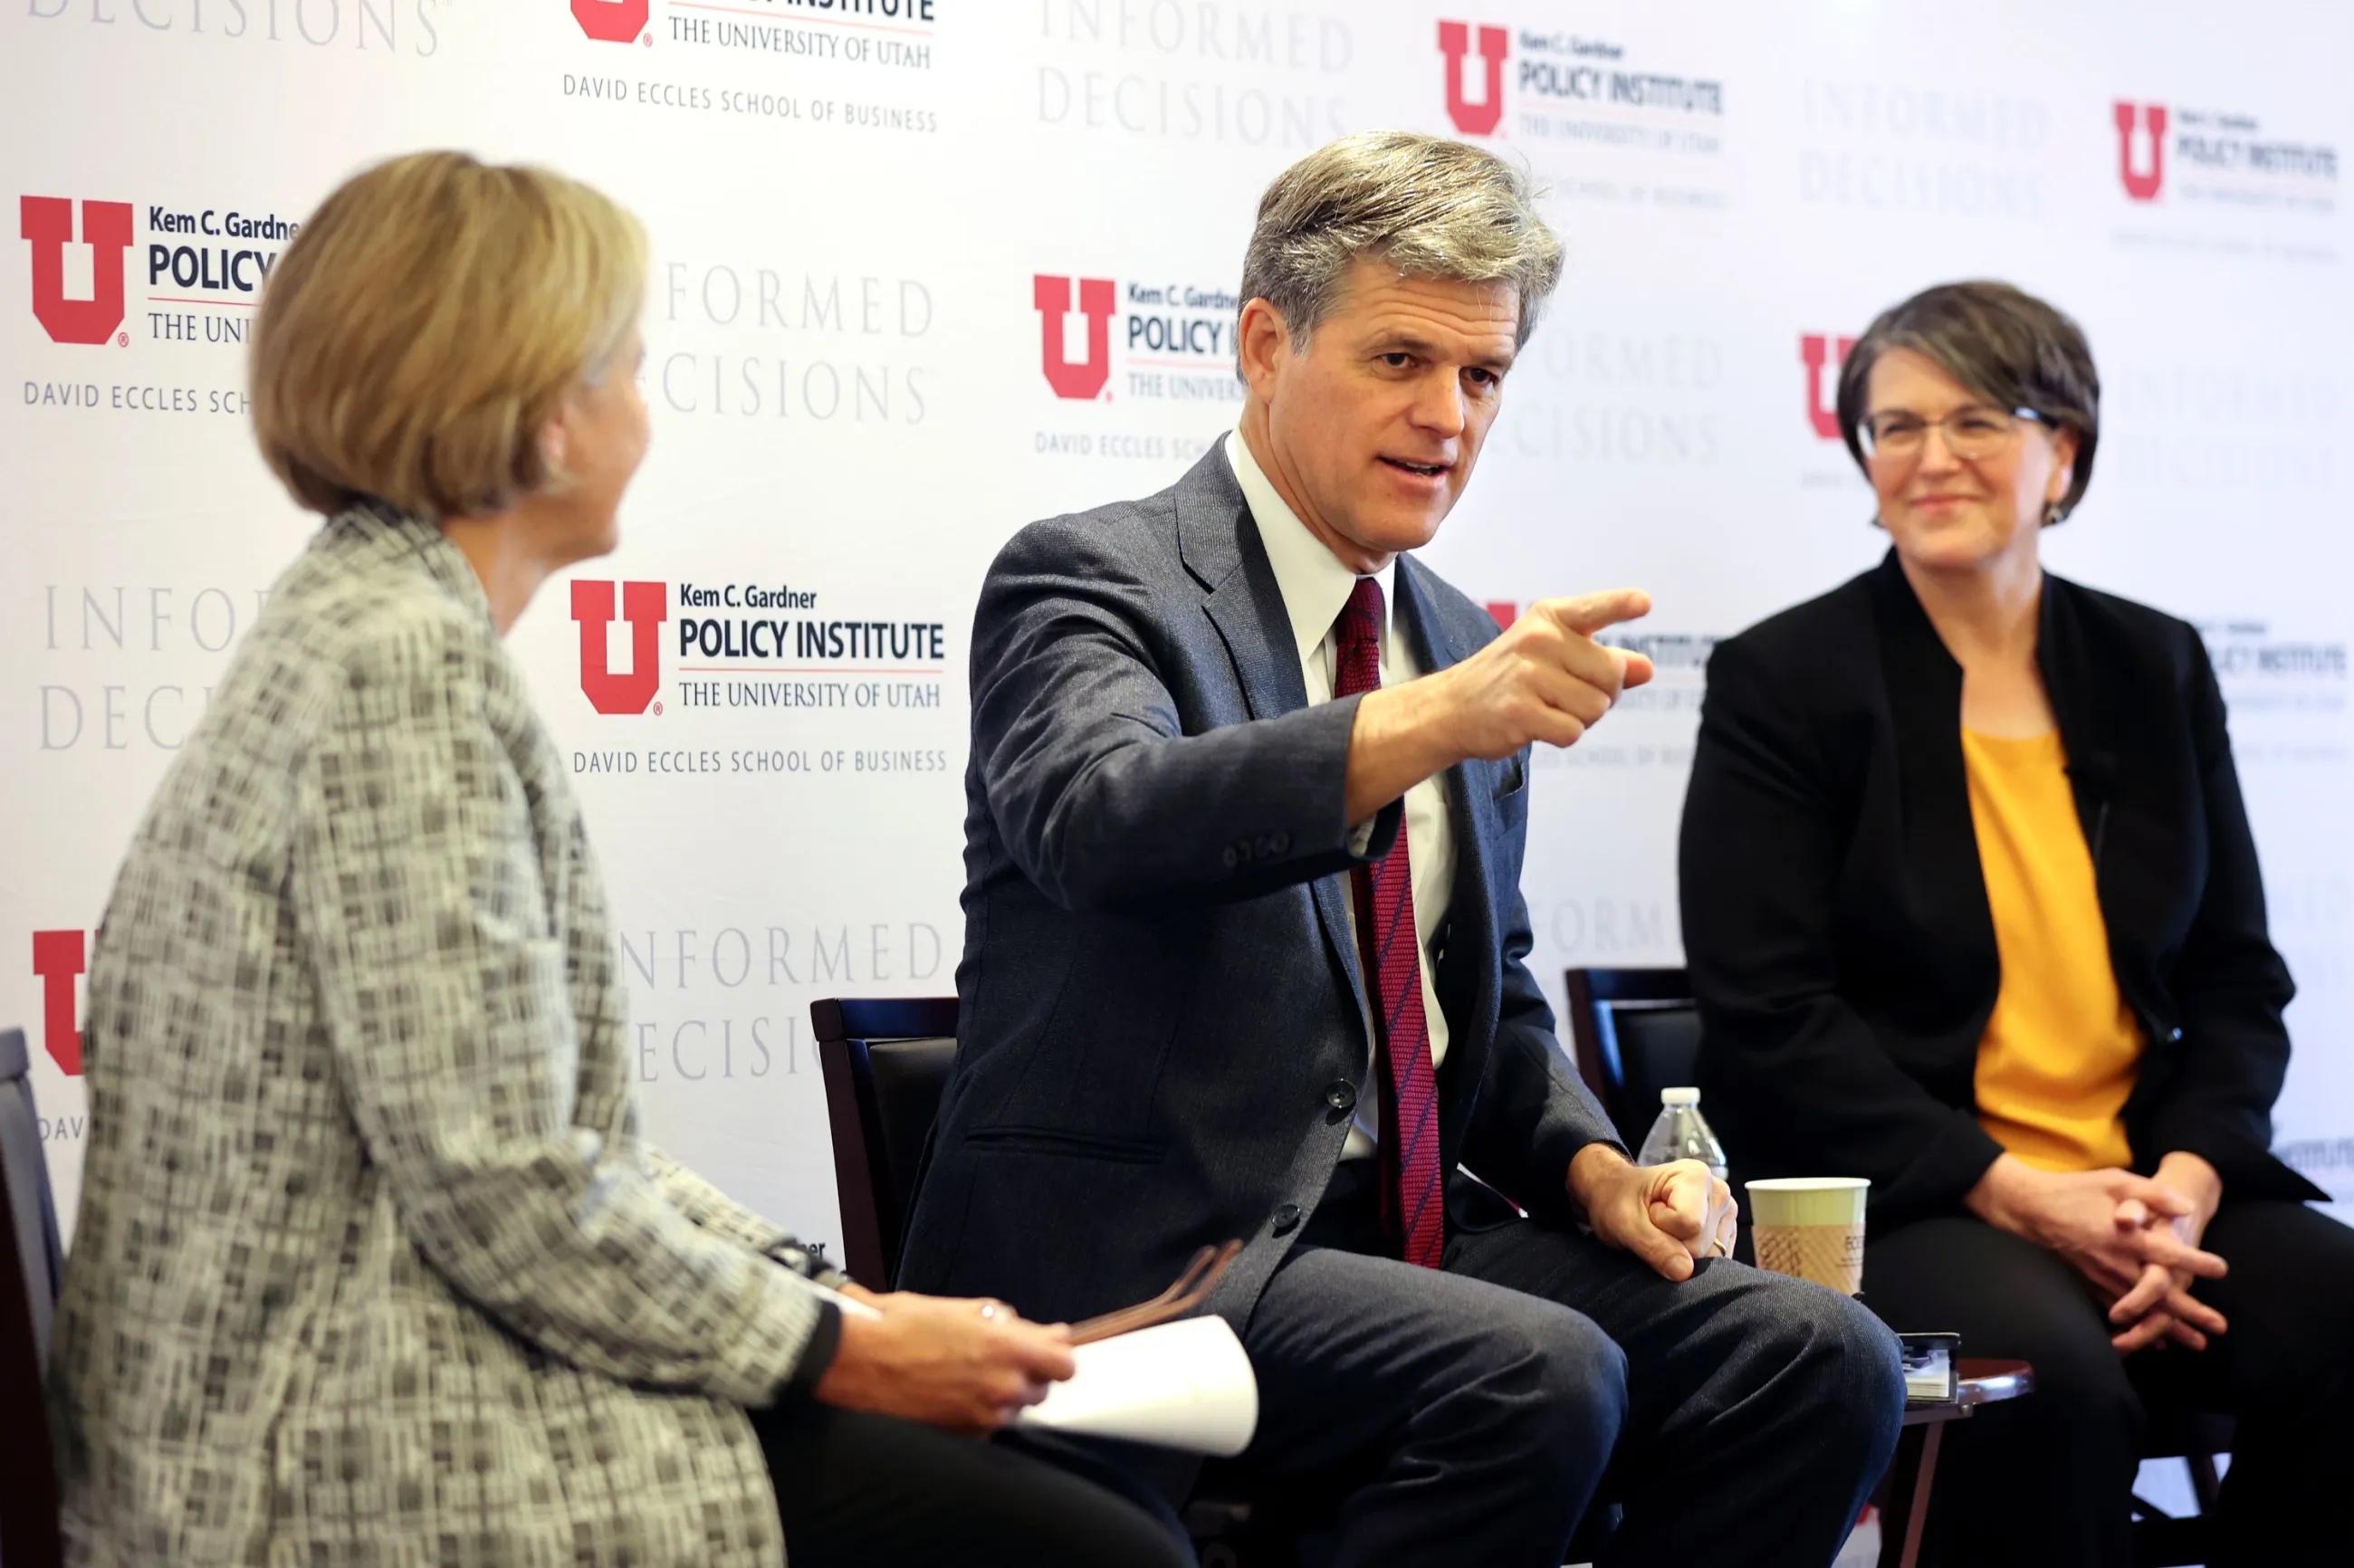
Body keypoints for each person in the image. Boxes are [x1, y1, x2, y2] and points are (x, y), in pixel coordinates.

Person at [44, 151, 1188, 1568]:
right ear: (541, 416)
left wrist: (847, 1310)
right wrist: (857, 1351)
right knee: (1107, 1547)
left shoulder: (364, 627)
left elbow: (547, 1157)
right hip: (341, 1449)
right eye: (629, 370)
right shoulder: (399, 671)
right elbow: (512, 1192)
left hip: (364, 1382)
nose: (647, 412)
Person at [896, 130, 1904, 1567]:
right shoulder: (1095, 577)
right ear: (1265, 343)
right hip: (1148, 1256)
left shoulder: (1454, 640)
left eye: (1482, 375)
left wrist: (1592, 1169)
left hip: (1408, 1245)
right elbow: (1102, 822)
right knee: (1538, 1376)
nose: (1447, 416)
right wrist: (1432, 718)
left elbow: (1480, 999)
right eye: (1399, 361)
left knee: (1821, 1356)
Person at [1680, 279, 2354, 1567]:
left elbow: (2237, 982)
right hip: (1912, 1196)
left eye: (1978, 420)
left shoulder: (2156, 666)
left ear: (2066, 456)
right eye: (1896, 426)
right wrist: (2028, 1198)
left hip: (2144, 1181)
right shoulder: (1789, 679)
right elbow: (1773, 1015)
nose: (1931, 457)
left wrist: (2184, 1193)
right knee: (2052, 1386)